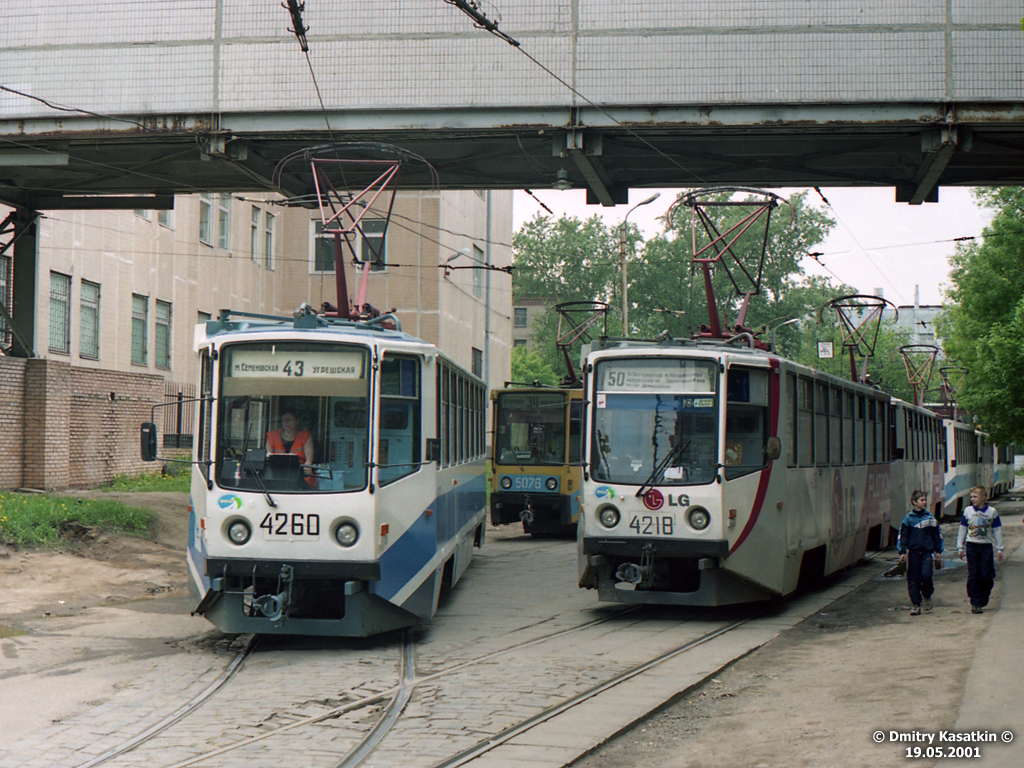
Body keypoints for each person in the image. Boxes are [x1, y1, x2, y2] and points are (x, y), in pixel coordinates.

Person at [957, 485, 1004, 614]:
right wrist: (960, 547)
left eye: (975, 496)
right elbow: (962, 529)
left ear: (983, 497)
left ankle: (984, 595)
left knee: (986, 575)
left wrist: (1000, 549)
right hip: (971, 545)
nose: (972, 499)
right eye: (971, 496)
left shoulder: (992, 512)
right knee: (974, 574)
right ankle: (975, 601)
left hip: (986, 547)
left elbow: (997, 530)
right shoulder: (967, 511)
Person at [897, 490, 944, 616]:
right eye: (922, 500)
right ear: (914, 502)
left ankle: (927, 595)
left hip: (927, 553)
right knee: (913, 579)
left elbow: (936, 535)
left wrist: (938, 550)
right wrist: (902, 551)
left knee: (926, 575)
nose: (925, 502)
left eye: (925, 500)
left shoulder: (930, 518)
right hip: (913, 553)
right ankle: (916, 604)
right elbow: (903, 536)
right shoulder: (908, 519)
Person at [265, 406, 316, 488]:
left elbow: (309, 454)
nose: (286, 422)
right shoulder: (272, 436)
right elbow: (268, 456)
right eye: (284, 419)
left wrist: (307, 465)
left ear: (297, 421)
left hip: (299, 475)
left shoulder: (305, 435)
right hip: (276, 474)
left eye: (290, 419)